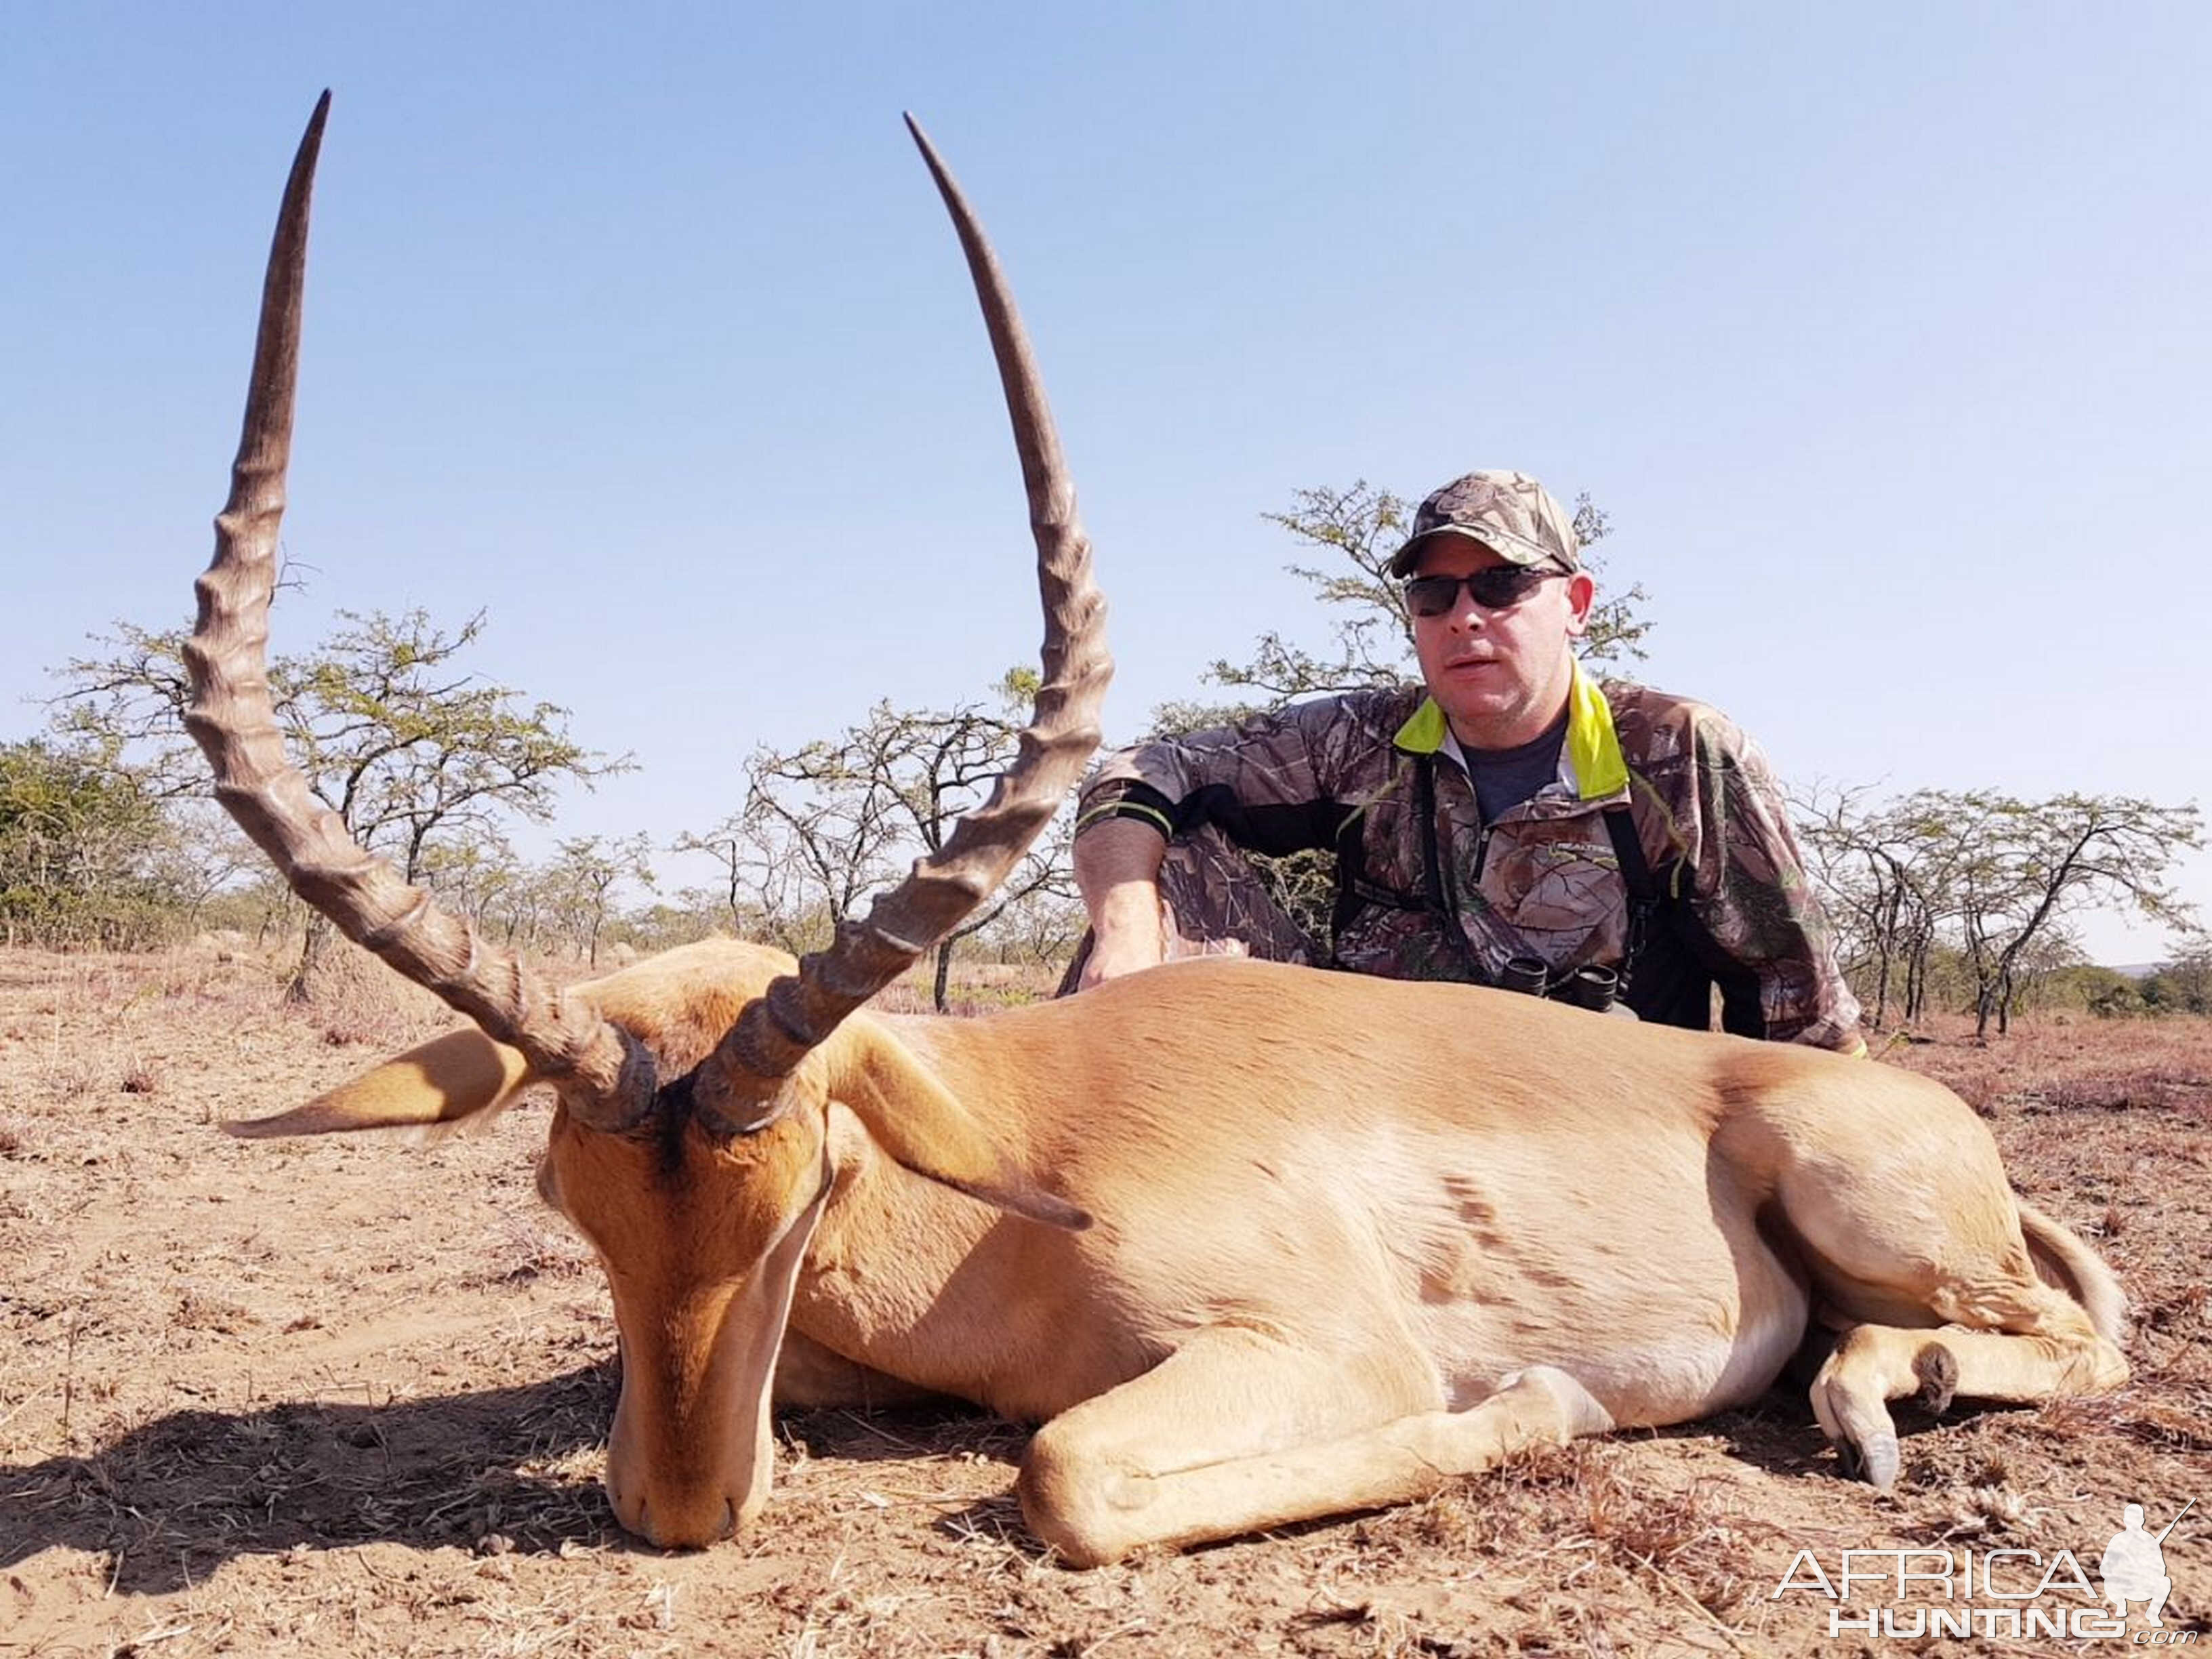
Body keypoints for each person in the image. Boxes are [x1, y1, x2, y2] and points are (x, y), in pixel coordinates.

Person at [1067, 468, 1864, 1052]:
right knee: (1166, 861)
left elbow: (1806, 1019)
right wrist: (1129, 929)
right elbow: (1142, 769)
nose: (1465, 618)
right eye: (1434, 596)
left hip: (1602, 1125)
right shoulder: (1356, 739)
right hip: (1379, 1103)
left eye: (1501, 584)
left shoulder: (1679, 755)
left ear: (1576, 605)